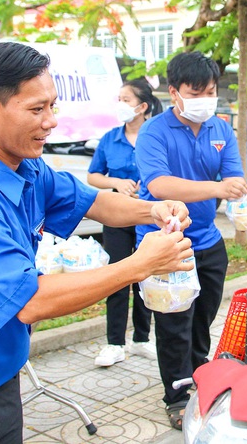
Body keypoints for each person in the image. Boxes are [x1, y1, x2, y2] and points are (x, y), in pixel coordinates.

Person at [0, 42, 194, 443]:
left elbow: (94, 201)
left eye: (53, 107)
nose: (51, 122)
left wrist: (154, 210)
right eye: (37, 109)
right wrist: (138, 265)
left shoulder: (25, 168)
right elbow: (30, 302)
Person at [134, 51, 247, 430]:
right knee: (173, 323)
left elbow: (234, 179)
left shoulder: (221, 130)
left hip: (208, 241)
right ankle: (177, 395)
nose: (205, 98)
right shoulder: (155, 131)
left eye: (211, 90)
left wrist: (242, 206)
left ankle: (200, 377)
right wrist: (217, 187)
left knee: (202, 319)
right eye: (195, 91)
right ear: (174, 92)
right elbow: (159, 185)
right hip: (166, 242)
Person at [88, 79, 163, 366]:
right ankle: (114, 343)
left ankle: (142, 338)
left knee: (146, 274)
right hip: (117, 215)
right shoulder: (110, 138)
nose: (120, 105)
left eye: (126, 99)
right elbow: (93, 176)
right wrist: (116, 183)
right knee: (118, 274)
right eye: (118, 99)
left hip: (149, 215)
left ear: (143, 107)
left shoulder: (156, 136)